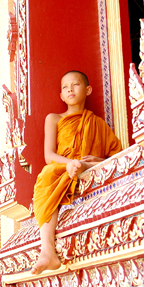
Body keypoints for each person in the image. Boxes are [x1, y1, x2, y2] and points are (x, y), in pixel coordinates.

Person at [31, 71, 122, 275]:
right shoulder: (54, 118)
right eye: (65, 87)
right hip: (62, 167)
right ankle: (47, 250)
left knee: (90, 166)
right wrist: (70, 163)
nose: (70, 89)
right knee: (47, 174)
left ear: (87, 89)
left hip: (87, 168)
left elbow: (117, 156)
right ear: (62, 96)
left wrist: (94, 162)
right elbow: (49, 155)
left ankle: (47, 252)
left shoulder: (97, 123)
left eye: (75, 84)